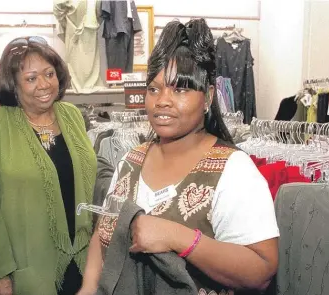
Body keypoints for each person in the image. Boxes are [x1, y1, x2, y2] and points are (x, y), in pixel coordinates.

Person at [78, 19, 279, 294]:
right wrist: (88, 289)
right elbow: (102, 234)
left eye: (180, 89)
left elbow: (261, 270)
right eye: (154, 89)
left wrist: (178, 238)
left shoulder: (234, 170)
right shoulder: (129, 161)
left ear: (208, 97)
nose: (162, 100)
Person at [0, 36, 97, 295]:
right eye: (31, 78)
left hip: (83, 264)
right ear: (13, 85)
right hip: (26, 271)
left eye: (49, 74)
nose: (44, 84)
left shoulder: (72, 116)